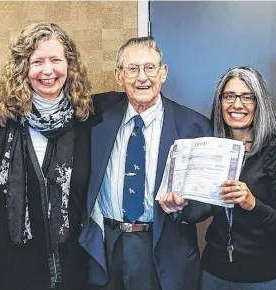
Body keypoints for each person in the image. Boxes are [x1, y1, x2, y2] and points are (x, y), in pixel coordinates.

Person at [79, 36, 211, 290]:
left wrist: (183, 207)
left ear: (163, 73)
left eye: (150, 68)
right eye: (132, 68)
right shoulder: (95, 114)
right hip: (108, 246)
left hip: (165, 249)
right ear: (119, 76)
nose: (142, 77)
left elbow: (207, 203)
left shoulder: (193, 125)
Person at [0, 22, 92, 290]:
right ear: (23, 68)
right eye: (37, 61)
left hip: (72, 271)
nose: (47, 71)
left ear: (69, 65)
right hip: (9, 271)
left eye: (55, 60)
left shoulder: (87, 122)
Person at [159, 66, 276, 290]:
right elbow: (201, 210)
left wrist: (252, 203)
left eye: (247, 97)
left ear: (258, 103)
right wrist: (179, 207)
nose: (237, 105)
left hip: (265, 277)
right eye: (229, 96)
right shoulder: (211, 148)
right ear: (220, 102)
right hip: (215, 274)